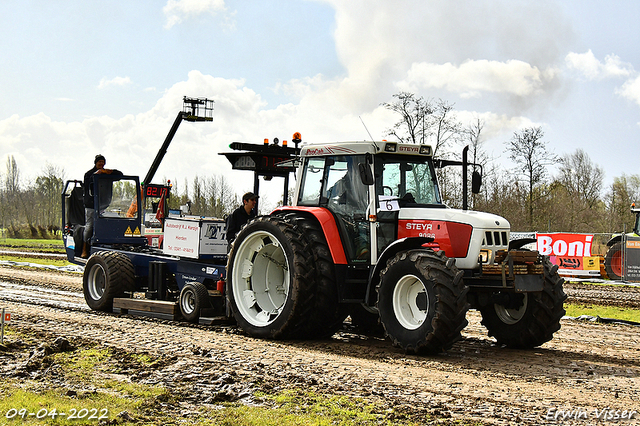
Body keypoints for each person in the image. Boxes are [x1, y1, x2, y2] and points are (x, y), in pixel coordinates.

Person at [82, 154, 122, 258]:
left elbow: (120, 175)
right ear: (95, 163)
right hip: (91, 205)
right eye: (99, 162)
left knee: (108, 222)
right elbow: (88, 183)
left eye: (103, 162)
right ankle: (84, 249)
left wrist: (108, 172)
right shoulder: (89, 174)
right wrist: (96, 174)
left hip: (102, 205)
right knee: (90, 226)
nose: (101, 163)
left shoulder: (105, 173)